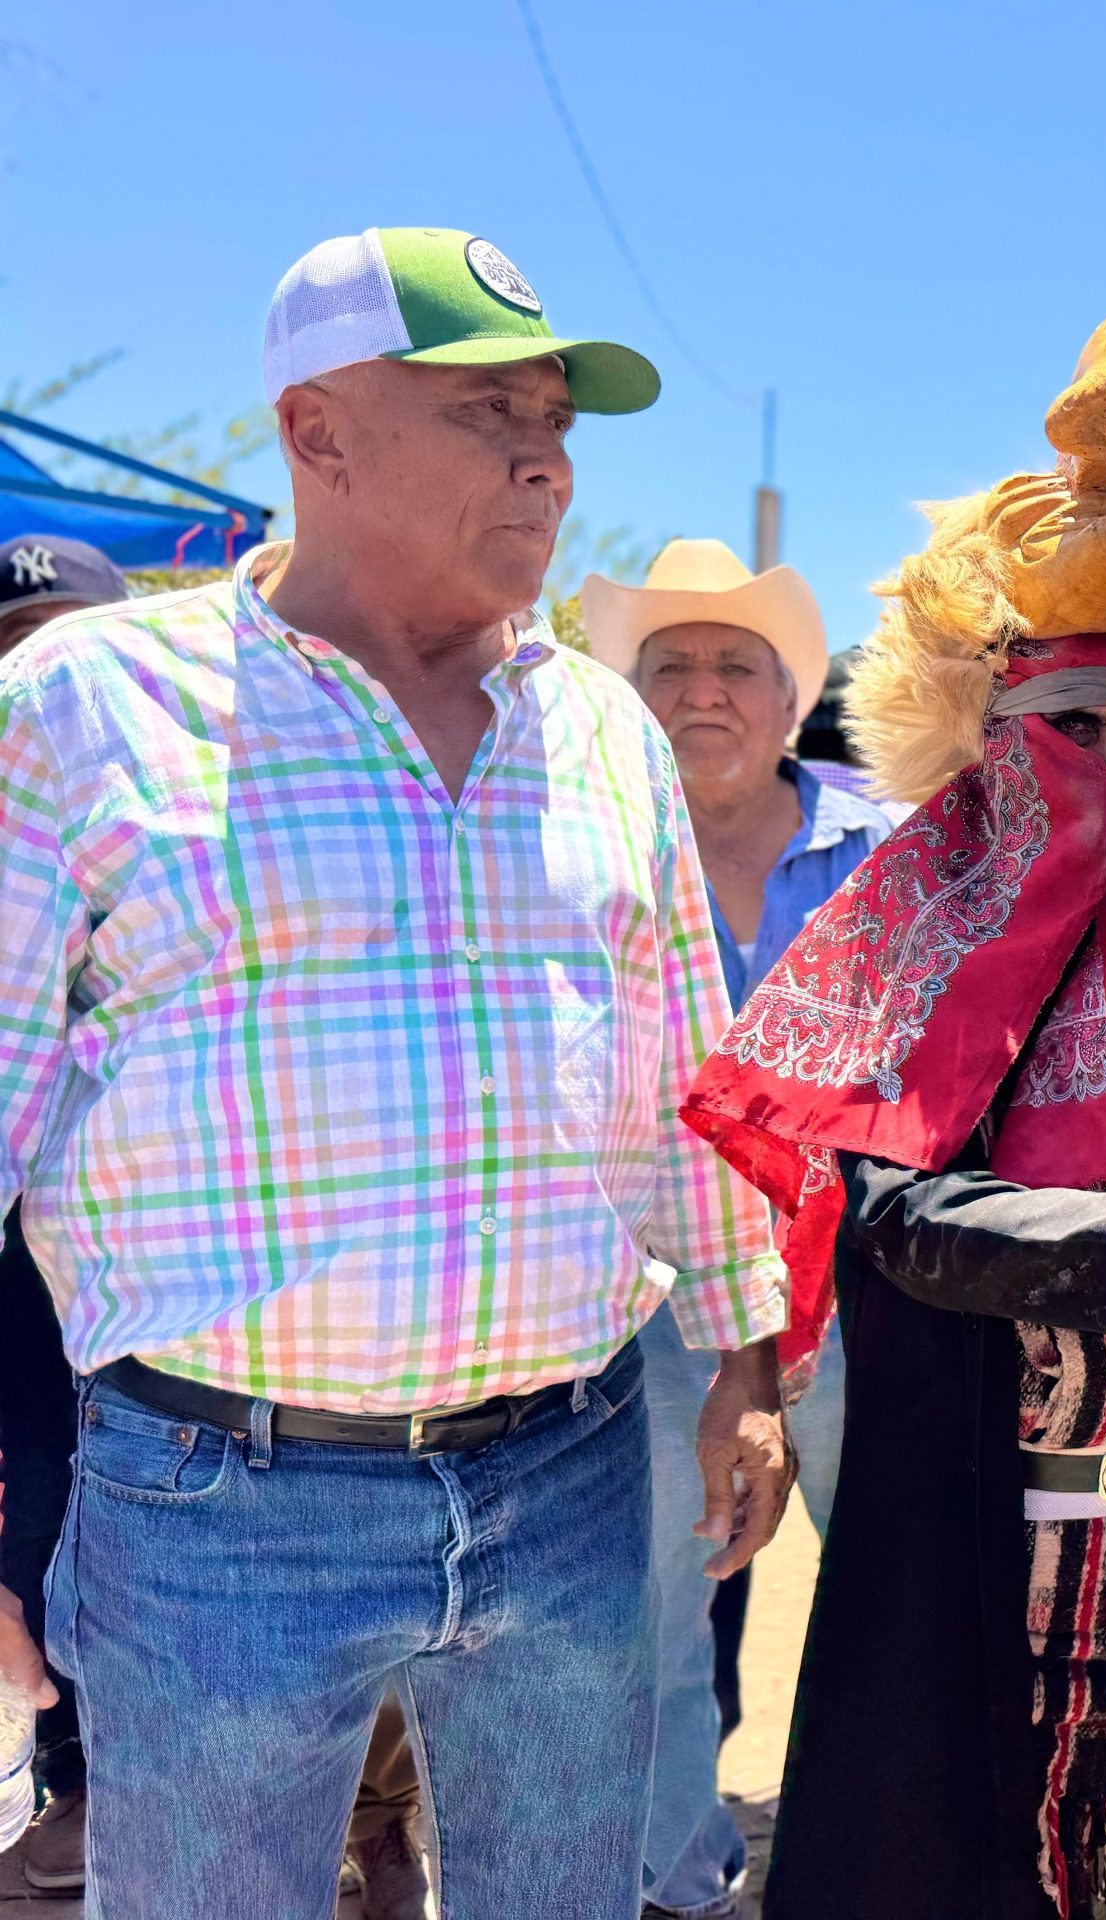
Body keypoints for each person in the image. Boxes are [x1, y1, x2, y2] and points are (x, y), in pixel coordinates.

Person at [0, 227, 792, 1919]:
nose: (546, 459)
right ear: (319, 433)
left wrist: (747, 1361)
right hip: (218, 1510)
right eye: (489, 410)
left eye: (558, 420)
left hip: (570, 1473)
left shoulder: (603, 730)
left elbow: (679, 1081)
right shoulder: (85, 706)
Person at [684, 312, 1106, 1919]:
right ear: (993, 733)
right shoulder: (911, 928)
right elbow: (901, 1215)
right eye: (1075, 725)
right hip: (994, 1529)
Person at [586, 536, 890, 1919]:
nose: (701, 691)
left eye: (733, 665)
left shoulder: (890, 852)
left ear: (789, 698)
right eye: (670, 666)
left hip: (871, 1289)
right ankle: (675, 1873)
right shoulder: (586, 850)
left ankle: (880, 1855)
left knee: (892, 1584)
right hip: (655, 1300)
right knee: (654, 1605)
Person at [0, 533, 128, 1894]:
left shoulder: (188, 802)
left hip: (136, 1250)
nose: (32, 673)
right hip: (14, 1263)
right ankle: (61, 1777)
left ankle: (92, 1783)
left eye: (61, 643)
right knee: (34, 1501)